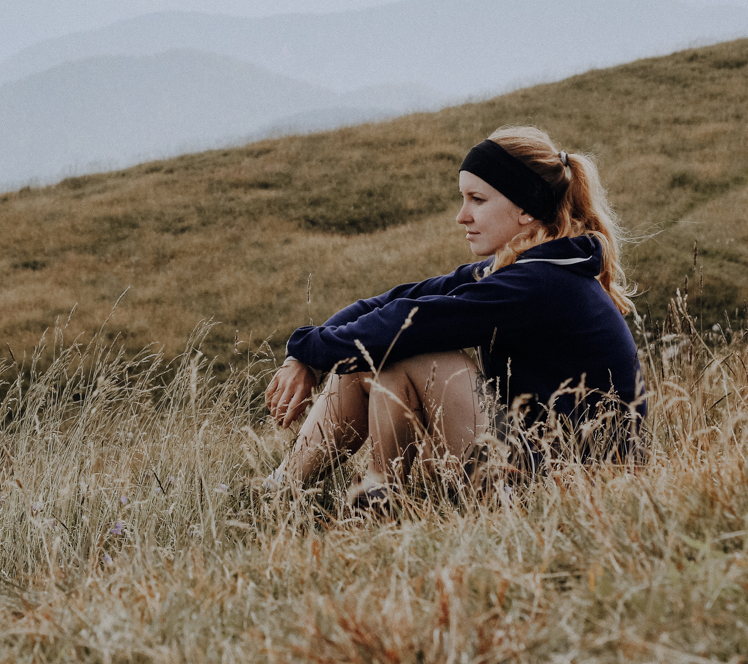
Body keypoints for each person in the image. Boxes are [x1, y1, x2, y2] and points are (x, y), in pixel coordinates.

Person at [262, 125, 643, 500]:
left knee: (411, 346)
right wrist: (305, 357)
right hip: (530, 458)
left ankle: (377, 488)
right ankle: (287, 489)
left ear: (526, 209)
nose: (462, 216)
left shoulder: (541, 283)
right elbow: (389, 302)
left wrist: (313, 351)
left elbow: (407, 323)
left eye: (477, 200)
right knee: (378, 348)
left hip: (568, 487)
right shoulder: (519, 269)